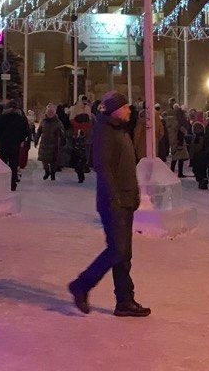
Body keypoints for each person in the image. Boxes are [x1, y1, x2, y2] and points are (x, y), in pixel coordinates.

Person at [67, 91, 149, 318]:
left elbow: (124, 169)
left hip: (125, 200)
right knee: (117, 250)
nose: (130, 110)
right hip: (114, 201)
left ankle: (124, 300)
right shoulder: (106, 132)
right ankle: (81, 285)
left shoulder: (120, 130)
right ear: (115, 110)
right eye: (126, 107)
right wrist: (114, 198)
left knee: (124, 254)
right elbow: (103, 168)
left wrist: (133, 195)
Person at [36, 105, 66, 180]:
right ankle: (47, 171)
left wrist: (63, 139)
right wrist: (36, 139)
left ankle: (53, 173)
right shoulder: (43, 121)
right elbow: (39, 131)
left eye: (51, 112)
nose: (50, 114)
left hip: (54, 143)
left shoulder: (58, 122)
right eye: (49, 112)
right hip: (44, 143)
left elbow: (62, 132)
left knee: (53, 160)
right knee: (44, 160)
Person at [165, 108, 190, 178]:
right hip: (179, 140)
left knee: (174, 157)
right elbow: (182, 132)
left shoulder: (171, 121)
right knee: (180, 158)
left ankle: (171, 172)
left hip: (173, 140)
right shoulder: (179, 122)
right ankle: (179, 173)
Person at [188, 119, 209, 189]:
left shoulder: (197, 137)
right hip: (205, 156)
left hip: (197, 156)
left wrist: (191, 157)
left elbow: (195, 148)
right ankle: (204, 180)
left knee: (197, 170)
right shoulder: (205, 136)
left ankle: (201, 181)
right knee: (203, 169)